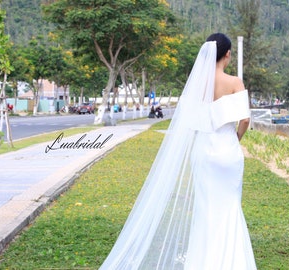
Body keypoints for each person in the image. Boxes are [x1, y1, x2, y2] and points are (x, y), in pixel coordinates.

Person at [100, 33, 256, 270]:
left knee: (205, 208)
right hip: (227, 150)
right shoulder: (235, 82)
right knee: (229, 206)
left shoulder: (198, 85)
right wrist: (235, 138)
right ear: (227, 54)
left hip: (203, 150)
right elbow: (245, 120)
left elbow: (190, 120)